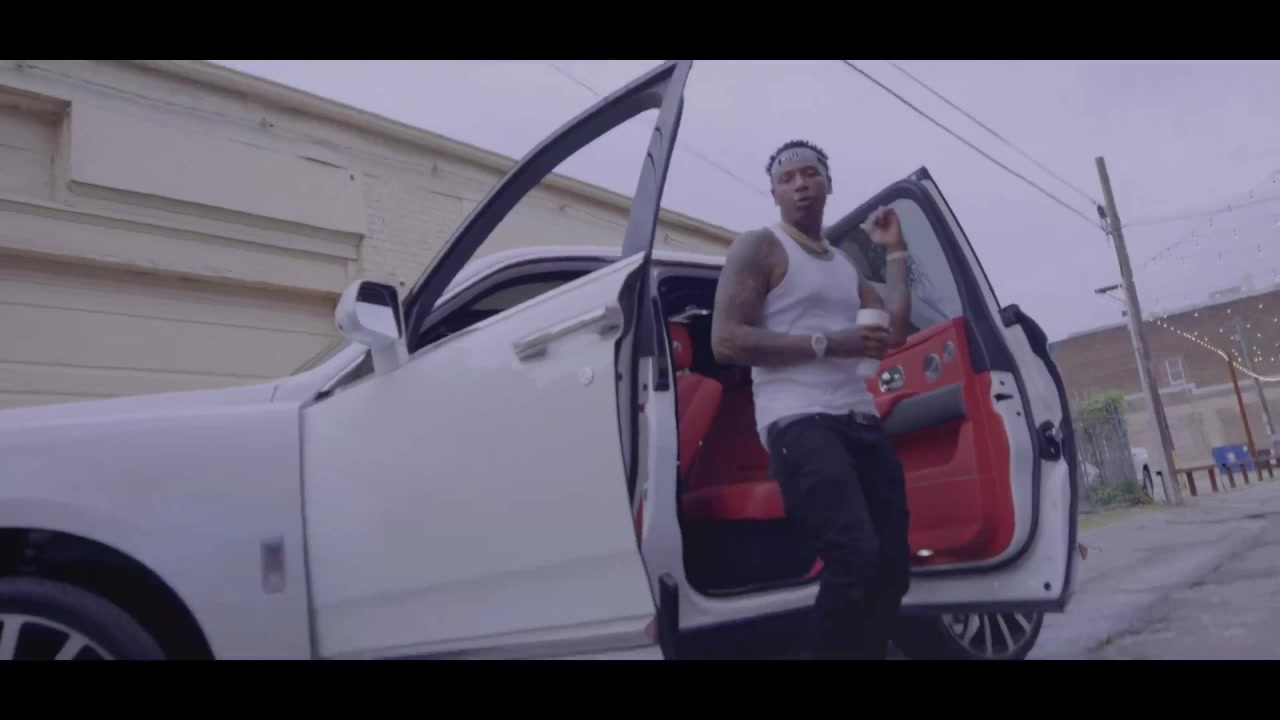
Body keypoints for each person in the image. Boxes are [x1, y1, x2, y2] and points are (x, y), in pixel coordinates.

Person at [709, 139, 913, 659]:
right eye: (787, 178)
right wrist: (827, 343)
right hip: (798, 419)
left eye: (810, 174)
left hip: (859, 417)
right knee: (854, 557)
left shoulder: (844, 266)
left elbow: (894, 331)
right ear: (774, 193)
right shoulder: (760, 247)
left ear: (828, 184)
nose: (800, 184)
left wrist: (895, 252)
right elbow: (726, 340)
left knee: (893, 567)